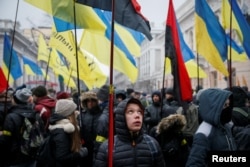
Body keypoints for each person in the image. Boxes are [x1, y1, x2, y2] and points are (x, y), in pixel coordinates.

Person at [94, 98, 166, 167]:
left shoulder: (152, 144)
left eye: (139, 112)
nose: (137, 115)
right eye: (130, 112)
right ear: (121, 116)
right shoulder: (108, 148)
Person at [186, 88, 237, 166]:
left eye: (229, 105)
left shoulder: (225, 126)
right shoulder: (204, 132)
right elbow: (194, 163)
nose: (228, 108)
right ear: (214, 107)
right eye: (225, 105)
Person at [46, 99, 88, 167]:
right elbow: (62, 158)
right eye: (73, 111)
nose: (76, 113)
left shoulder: (61, 129)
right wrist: (79, 154)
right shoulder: (61, 133)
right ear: (69, 114)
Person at [0, 88, 35, 167]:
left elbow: (6, 138)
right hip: (31, 153)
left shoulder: (11, 117)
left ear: (15, 100)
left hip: (14, 156)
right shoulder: (34, 113)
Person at [79, 91, 102, 167]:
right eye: (88, 101)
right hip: (85, 146)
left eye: (92, 100)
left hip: (99, 146)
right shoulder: (82, 115)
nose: (90, 103)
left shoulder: (101, 114)